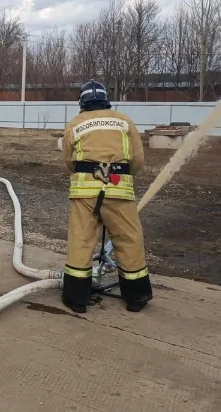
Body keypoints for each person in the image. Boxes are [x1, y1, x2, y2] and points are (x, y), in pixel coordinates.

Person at [61, 79, 153, 313]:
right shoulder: (124, 121)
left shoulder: (75, 123)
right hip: (118, 189)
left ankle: (76, 299)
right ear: (106, 100)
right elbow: (137, 159)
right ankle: (136, 297)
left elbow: (69, 161)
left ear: (82, 102)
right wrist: (121, 175)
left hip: (84, 192)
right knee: (129, 240)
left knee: (80, 241)